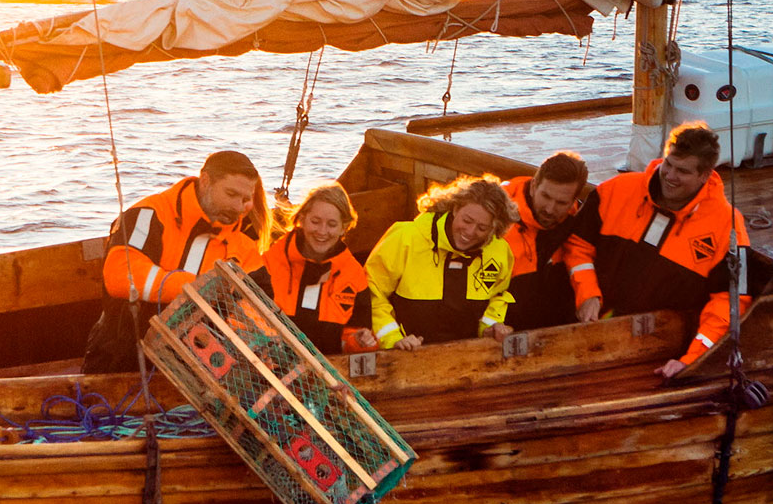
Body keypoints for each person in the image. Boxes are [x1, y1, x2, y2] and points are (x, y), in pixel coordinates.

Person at [587, 122, 753, 380]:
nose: (670, 176)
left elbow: (731, 302)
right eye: (669, 164)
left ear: (705, 175)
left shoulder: (728, 226)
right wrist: (586, 293)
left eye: (683, 171)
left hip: (658, 349)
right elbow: (577, 245)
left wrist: (694, 358)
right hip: (590, 327)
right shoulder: (616, 190)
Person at [84, 149, 269, 373]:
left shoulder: (244, 244)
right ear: (206, 181)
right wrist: (197, 288)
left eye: (246, 199)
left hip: (202, 366)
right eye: (231, 194)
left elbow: (255, 310)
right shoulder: (148, 215)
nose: (239, 208)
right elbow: (119, 275)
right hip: (124, 353)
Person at [363, 174, 518, 349]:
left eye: (482, 228)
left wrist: (489, 328)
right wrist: (392, 339)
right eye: (467, 220)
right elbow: (372, 292)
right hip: (408, 351)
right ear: (455, 208)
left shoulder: (499, 251)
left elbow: (498, 296)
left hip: (469, 352)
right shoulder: (406, 238)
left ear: (494, 227)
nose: (470, 231)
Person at [248, 181, 373, 354]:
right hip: (273, 368)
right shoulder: (269, 264)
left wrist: (358, 341)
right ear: (302, 219)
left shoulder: (354, 275)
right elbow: (245, 321)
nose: (322, 231)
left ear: (343, 228)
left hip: (331, 371)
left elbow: (355, 337)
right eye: (315, 221)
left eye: (331, 224)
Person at [500, 151, 604, 330]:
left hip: (550, 327)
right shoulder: (497, 214)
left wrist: (588, 297)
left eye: (561, 202)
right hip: (500, 325)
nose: (550, 209)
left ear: (573, 201)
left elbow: (578, 257)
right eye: (546, 196)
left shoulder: (575, 220)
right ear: (534, 186)